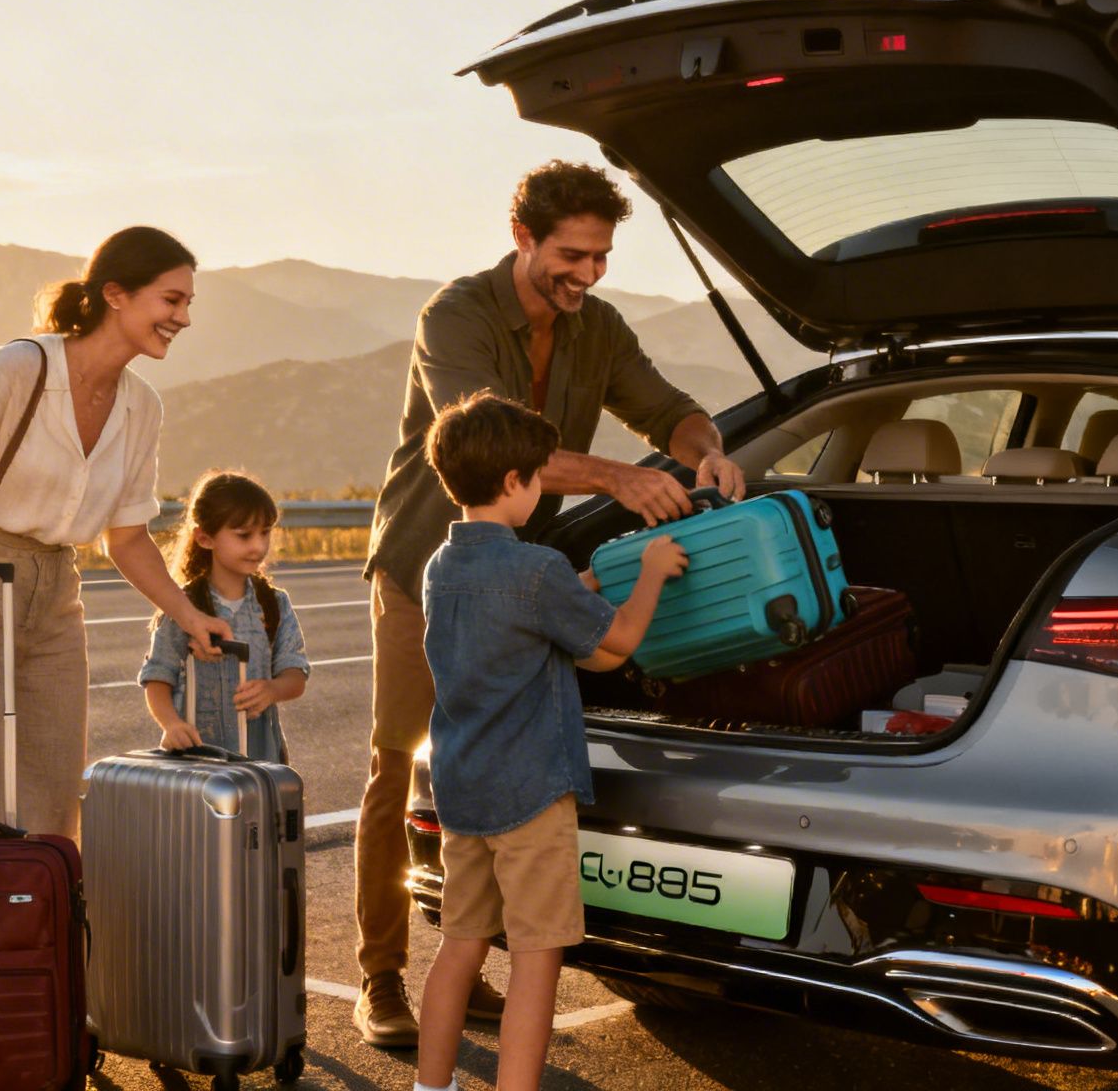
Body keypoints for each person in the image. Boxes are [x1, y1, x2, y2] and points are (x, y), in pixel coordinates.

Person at [352, 159, 745, 1045]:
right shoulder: (454, 314)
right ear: (523, 237)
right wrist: (619, 476)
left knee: (509, 769)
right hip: (429, 571)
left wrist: (704, 449)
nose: (589, 274)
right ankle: (381, 977)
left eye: (602, 257)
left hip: (527, 573)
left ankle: (473, 962)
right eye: (573, 255)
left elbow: (670, 410)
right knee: (399, 766)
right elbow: (480, 437)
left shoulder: (596, 326)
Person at [0, 225, 233, 843]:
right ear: (116, 294)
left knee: (53, 797)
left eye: (187, 304)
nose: (182, 317)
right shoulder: (21, 367)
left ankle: (36, 936)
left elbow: (127, 538)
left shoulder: (141, 406)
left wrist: (186, 613)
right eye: (170, 300)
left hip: (56, 592)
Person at [410, 392, 687, 1091]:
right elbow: (613, 646)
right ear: (514, 484)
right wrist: (650, 572)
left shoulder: (441, 568)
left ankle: (428, 1085)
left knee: (460, 948)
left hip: (463, 790)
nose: (538, 488)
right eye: (536, 476)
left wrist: (591, 582)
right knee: (537, 961)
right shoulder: (535, 570)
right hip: (530, 794)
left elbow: (535, 614)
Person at [138, 470, 310, 760]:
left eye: (265, 532)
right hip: (197, 756)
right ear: (205, 538)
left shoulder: (274, 604)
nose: (258, 546)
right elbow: (157, 678)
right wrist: (171, 724)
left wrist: (272, 689)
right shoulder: (183, 608)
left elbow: (296, 674)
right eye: (244, 535)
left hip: (261, 755)